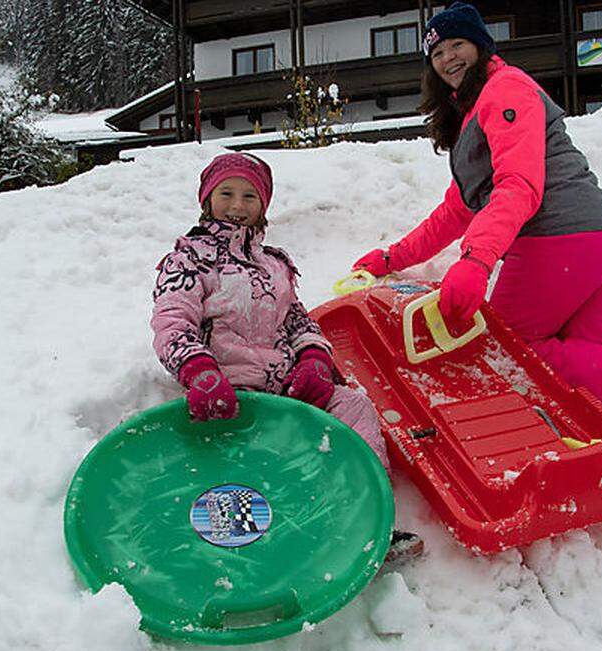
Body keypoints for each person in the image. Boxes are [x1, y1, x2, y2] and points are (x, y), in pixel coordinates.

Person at [352, 3, 602, 480]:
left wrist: (476, 262)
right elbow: (456, 211)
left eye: (457, 44)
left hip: (560, 239)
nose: (448, 58)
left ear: (481, 46)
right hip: (599, 245)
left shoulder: (506, 90)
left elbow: (519, 184)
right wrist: (390, 257)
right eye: (437, 52)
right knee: (597, 399)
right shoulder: (474, 113)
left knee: (509, 350)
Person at [152, 152, 424, 561]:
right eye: (226, 193)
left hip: (284, 388)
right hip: (229, 393)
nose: (237, 205)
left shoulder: (273, 264)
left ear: (264, 205)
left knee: (353, 407)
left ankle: (370, 521)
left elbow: (297, 321)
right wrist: (199, 370)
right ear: (207, 199)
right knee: (246, 473)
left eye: (250, 196)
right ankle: (244, 546)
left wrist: (313, 358)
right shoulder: (189, 258)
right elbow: (173, 320)